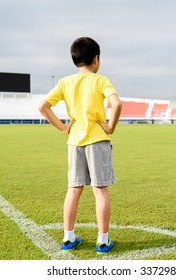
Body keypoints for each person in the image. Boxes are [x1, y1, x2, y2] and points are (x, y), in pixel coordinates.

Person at [38, 37, 122, 254]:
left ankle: (68, 238)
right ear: (96, 59)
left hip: (74, 141)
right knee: (100, 190)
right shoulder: (100, 80)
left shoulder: (65, 82)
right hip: (97, 139)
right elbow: (117, 104)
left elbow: (43, 107)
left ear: (75, 59)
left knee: (73, 190)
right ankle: (102, 241)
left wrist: (64, 128)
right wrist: (110, 127)